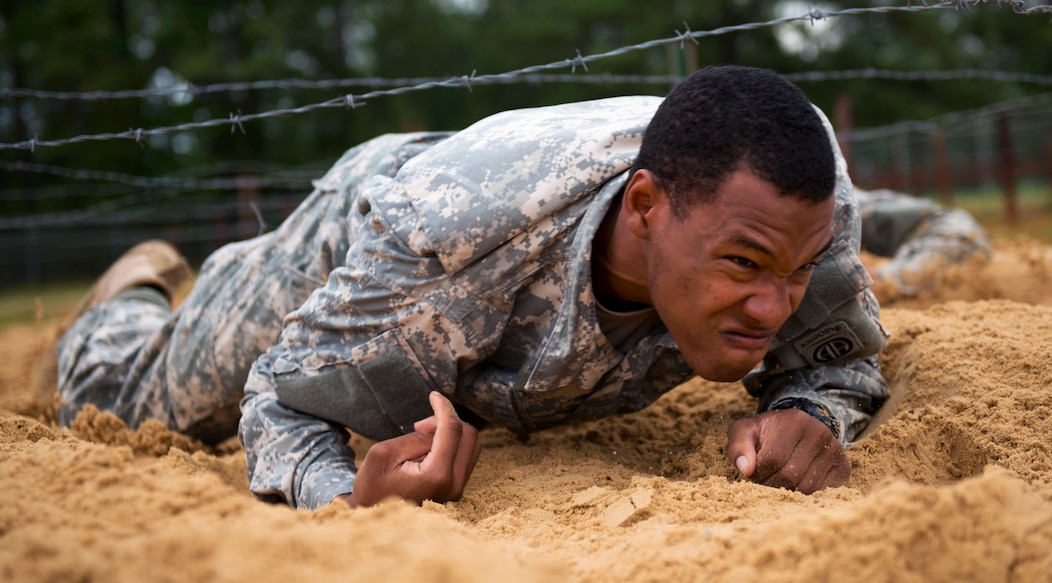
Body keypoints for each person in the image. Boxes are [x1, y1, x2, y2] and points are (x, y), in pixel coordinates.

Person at [52, 65, 889, 510]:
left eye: (798, 270)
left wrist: (811, 413)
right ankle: (132, 298)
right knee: (130, 399)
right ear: (646, 208)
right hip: (383, 219)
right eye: (743, 267)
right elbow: (278, 394)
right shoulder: (440, 248)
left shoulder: (802, 209)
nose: (777, 305)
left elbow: (837, 355)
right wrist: (348, 496)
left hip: (494, 244)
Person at [856, 188, 993, 304]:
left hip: (946, 231)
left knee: (874, 286)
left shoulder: (842, 203)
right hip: (953, 230)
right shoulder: (845, 192)